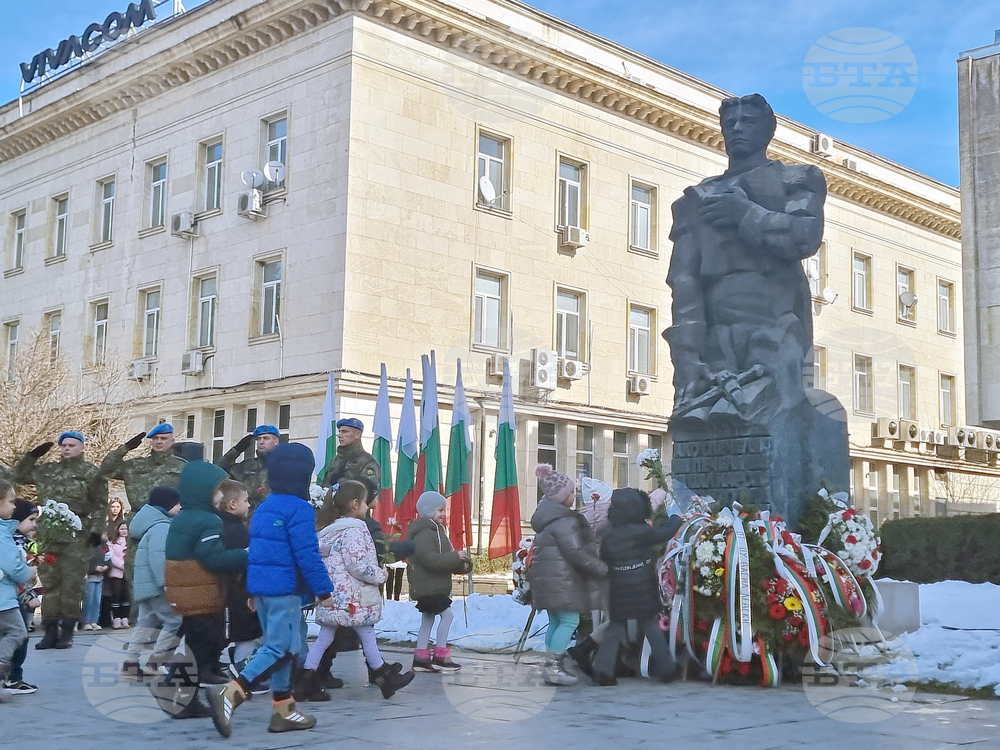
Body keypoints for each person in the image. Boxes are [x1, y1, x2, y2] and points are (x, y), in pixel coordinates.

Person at [665, 93, 826, 417]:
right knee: (707, 421)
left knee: (774, 418)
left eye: (748, 122)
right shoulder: (698, 199)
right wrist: (687, 358)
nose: (737, 128)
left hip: (776, 326)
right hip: (715, 336)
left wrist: (746, 214)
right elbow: (684, 281)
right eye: (730, 123)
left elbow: (804, 237)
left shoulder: (797, 179)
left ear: (768, 129)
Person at [207, 443, 334, 738]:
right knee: (281, 648)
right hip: (285, 590)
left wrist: (252, 590)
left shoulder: (265, 507)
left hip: (264, 589)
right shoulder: (299, 508)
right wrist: (324, 589)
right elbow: (307, 553)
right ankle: (232, 692)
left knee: (282, 649)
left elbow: (257, 552)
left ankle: (283, 709)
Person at [297, 481, 414, 701]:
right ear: (354, 504)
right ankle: (383, 677)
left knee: (325, 638)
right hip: (353, 596)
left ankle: (305, 679)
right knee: (366, 632)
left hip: (335, 595)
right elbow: (358, 564)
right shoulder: (354, 530)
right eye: (364, 502)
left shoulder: (329, 531)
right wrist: (380, 575)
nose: (367, 507)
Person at [13, 431, 106, 650]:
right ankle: (50, 630)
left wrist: (95, 530)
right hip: (50, 533)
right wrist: (32, 456)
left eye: (72, 445)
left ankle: (67, 631)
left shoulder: (91, 472)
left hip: (77, 535)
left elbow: (101, 503)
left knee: (72, 585)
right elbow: (18, 474)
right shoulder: (48, 471)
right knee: (51, 584)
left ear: (82, 447)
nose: (67, 448)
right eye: (63, 445)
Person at [590, 488, 683, 686]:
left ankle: (603, 672)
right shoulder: (643, 531)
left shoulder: (609, 535)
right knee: (649, 625)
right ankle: (667, 669)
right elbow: (665, 533)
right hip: (642, 586)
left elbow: (605, 557)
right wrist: (676, 518)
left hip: (618, 587)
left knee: (614, 629)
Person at [529, 464, 607, 686]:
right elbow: (575, 552)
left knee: (556, 620)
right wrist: (600, 567)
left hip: (550, 582)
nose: (574, 495)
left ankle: (551, 665)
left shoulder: (546, 520)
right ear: (561, 497)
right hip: (562, 581)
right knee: (569, 620)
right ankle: (554, 666)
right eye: (571, 492)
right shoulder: (564, 521)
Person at [406, 491, 471, 673]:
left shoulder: (436, 530)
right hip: (430, 587)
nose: (444, 514)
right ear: (429, 511)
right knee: (447, 615)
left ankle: (421, 658)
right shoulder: (425, 533)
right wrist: (454, 557)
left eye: (444, 510)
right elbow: (432, 560)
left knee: (427, 619)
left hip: (430, 586)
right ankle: (441, 656)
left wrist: (461, 563)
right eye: (440, 510)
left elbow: (442, 560)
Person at [122, 487, 183, 680]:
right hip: (157, 586)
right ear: (168, 505)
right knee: (174, 620)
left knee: (144, 624)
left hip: (145, 586)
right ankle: (155, 662)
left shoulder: (151, 525)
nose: (181, 507)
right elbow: (159, 559)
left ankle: (130, 663)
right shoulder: (161, 527)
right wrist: (166, 583)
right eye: (177, 504)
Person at [213, 480, 264, 684]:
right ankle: (245, 674)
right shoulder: (235, 530)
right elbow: (243, 562)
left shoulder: (219, 524)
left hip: (226, 592)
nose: (249, 505)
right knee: (246, 633)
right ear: (232, 504)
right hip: (236, 592)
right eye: (246, 500)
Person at [98, 424, 187, 517]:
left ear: (172, 441)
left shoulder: (182, 466)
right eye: (155, 438)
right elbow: (105, 471)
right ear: (151, 442)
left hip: (168, 518)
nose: (159, 441)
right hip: (138, 517)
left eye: (163, 438)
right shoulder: (135, 465)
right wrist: (124, 448)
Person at [0, 480, 32, 704]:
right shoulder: (2, 534)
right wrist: (28, 572)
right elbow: (13, 566)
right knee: (17, 633)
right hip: (3, 599)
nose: (14, 507)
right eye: (10, 502)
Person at [6, 500, 40, 695]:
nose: (34, 524)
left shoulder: (23, 542)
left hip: (16, 596)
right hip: (14, 598)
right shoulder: (11, 542)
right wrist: (29, 596)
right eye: (31, 519)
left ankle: (11, 676)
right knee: (19, 636)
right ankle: (12, 677)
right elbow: (15, 573)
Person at [217, 425, 280, 510]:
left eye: (266, 438)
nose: (261, 442)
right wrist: (236, 451)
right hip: (247, 517)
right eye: (259, 439)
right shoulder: (247, 466)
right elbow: (219, 470)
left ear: (276, 442)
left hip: (274, 515)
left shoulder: (283, 466)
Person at [319, 418, 380, 489]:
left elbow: (369, 490)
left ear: (357, 435)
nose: (339, 435)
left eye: (345, 432)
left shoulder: (367, 461)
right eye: (339, 431)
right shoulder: (336, 460)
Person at [82, 533, 110, 631]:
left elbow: (108, 557)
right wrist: (94, 568)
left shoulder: (104, 546)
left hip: (100, 577)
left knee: (97, 600)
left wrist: (107, 566)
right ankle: (86, 621)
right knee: (88, 600)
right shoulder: (87, 545)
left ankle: (94, 620)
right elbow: (84, 561)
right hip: (89, 577)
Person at [107, 521, 130, 628]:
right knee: (116, 595)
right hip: (116, 572)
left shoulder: (131, 542)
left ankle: (125, 618)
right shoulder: (112, 542)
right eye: (122, 529)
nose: (124, 531)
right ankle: (116, 618)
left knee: (126, 595)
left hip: (128, 573)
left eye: (126, 529)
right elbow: (112, 557)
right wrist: (122, 565)